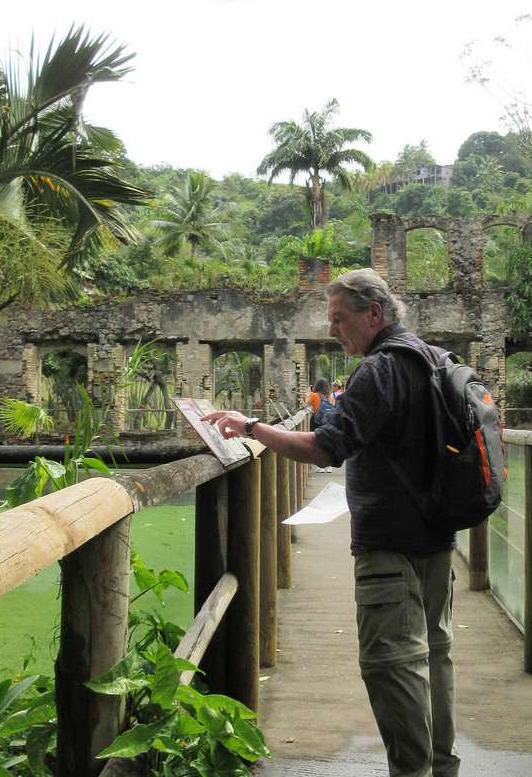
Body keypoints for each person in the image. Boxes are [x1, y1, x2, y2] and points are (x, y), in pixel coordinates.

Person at [203, 268, 459, 777]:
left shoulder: (379, 369)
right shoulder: (435, 359)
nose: (332, 329)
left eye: (340, 319)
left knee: (393, 667)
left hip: (390, 546)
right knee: (434, 654)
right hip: (438, 537)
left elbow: (324, 448)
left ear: (374, 314)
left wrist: (251, 426)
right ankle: (439, 767)